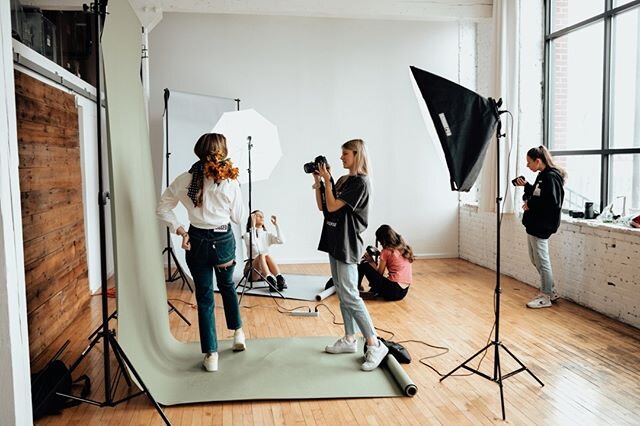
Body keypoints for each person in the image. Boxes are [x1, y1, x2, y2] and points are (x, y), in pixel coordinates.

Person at [156, 133, 246, 372]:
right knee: (227, 287)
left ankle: (211, 355)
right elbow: (238, 217)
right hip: (223, 240)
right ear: (222, 152)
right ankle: (238, 333)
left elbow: (163, 207)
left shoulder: (185, 179)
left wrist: (180, 230)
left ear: (198, 151)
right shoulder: (230, 181)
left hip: (195, 240)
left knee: (204, 297)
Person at [312, 138, 388, 371]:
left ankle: (374, 343)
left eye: (345, 154)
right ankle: (349, 339)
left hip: (347, 243)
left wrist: (327, 180)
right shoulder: (345, 180)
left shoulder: (362, 183)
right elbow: (324, 207)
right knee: (344, 294)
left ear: (356, 154)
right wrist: (319, 182)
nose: (341, 158)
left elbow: (335, 206)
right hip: (334, 239)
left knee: (351, 296)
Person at [514, 145, 566, 309]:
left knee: (542, 261)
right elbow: (538, 194)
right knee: (535, 259)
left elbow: (552, 203)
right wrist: (527, 188)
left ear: (538, 161)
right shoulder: (542, 176)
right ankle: (551, 290)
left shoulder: (551, 177)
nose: (527, 165)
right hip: (534, 224)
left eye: (529, 162)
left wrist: (531, 205)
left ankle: (545, 296)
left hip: (541, 225)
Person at [357, 225, 413, 301]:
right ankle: (374, 292)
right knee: (385, 281)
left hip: (392, 290)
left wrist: (371, 261)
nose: (380, 244)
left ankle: (357, 287)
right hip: (403, 292)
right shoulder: (404, 247)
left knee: (364, 264)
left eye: (379, 241)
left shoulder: (386, 251)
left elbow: (379, 274)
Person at [242, 210, 287, 291]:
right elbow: (255, 248)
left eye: (262, 216)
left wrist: (276, 225)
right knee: (262, 254)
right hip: (252, 271)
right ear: (252, 219)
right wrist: (253, 226)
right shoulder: (247, 235)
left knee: (267, 255)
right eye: (258, 216)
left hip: (264, 270)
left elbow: (281, 241)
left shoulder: (266, 234)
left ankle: (279, 278)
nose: (262, 217)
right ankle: (270, 280)